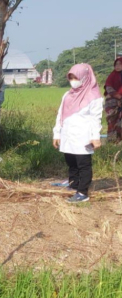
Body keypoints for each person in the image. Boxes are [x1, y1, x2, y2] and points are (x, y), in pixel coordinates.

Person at [52, 63, 103, 203]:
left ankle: (82, 192)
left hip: (83, 136)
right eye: (71, 77)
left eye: (76, 77)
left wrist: (95, 137)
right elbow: (60, 114)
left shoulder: (94, 97)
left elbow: (95, 119)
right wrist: (57, 133)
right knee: (71, 161)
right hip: (68, 134)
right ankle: (74, 184)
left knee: (83, 164)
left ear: (85, 77)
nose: (73, 81)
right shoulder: (68, 95)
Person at [104, 56, 122, 143]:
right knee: (112, 122)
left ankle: (118, 141)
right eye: (116, 64)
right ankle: (111, 143)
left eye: (120, 64)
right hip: (111, 104)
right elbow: (109, 88)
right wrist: (119, 96)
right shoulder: (112, 76)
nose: (118, 66)